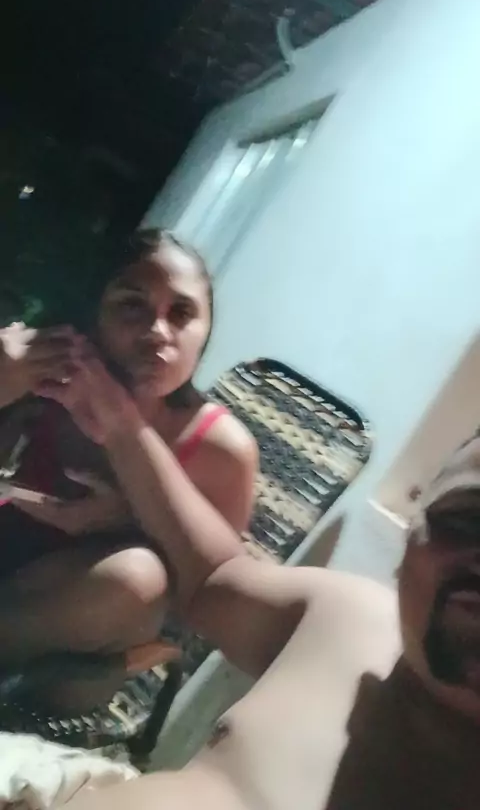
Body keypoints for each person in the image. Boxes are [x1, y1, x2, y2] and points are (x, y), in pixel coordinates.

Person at [56, 385, 480, 810]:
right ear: (411, 534)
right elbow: (212, 575)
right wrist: (123, 425)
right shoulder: (351, 617)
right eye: (466, 520)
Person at [0, 228, 257, 713]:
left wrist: (122, 521)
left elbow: (207, 609)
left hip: (81, 649)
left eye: (181, 313)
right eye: (132, 305)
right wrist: (4, 382)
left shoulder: (220, 449)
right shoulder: (47, 378)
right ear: (95, 315)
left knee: (137, 578)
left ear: (205, 333)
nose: (158, 331)